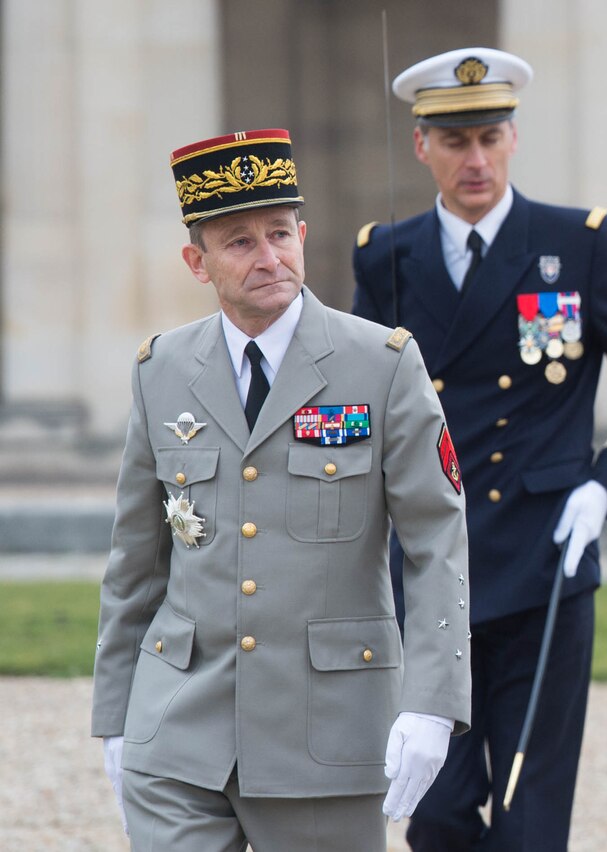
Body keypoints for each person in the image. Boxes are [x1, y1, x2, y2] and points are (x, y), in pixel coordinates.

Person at [91, 128, 471, 852]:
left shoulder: (382, 364)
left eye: (280, 233)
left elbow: (435, 542)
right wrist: (116, 716)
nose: (269, 258)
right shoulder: (161, 369)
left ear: (303, 234)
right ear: (195, 262)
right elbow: (135, 563)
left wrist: (431, 703)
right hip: (175, 733)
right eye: (239, 242)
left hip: (327, 737)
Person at [351, 47, 607, 850]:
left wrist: (605, 484)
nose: (476, 159)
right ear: (421, 147)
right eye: (456, 141)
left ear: (512, 140)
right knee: (433, 808)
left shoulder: (580, 245)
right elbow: (360, 405)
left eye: (491, 138)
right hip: (432, 568)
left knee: (530, 808)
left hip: (547, 557)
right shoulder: (385, 255)